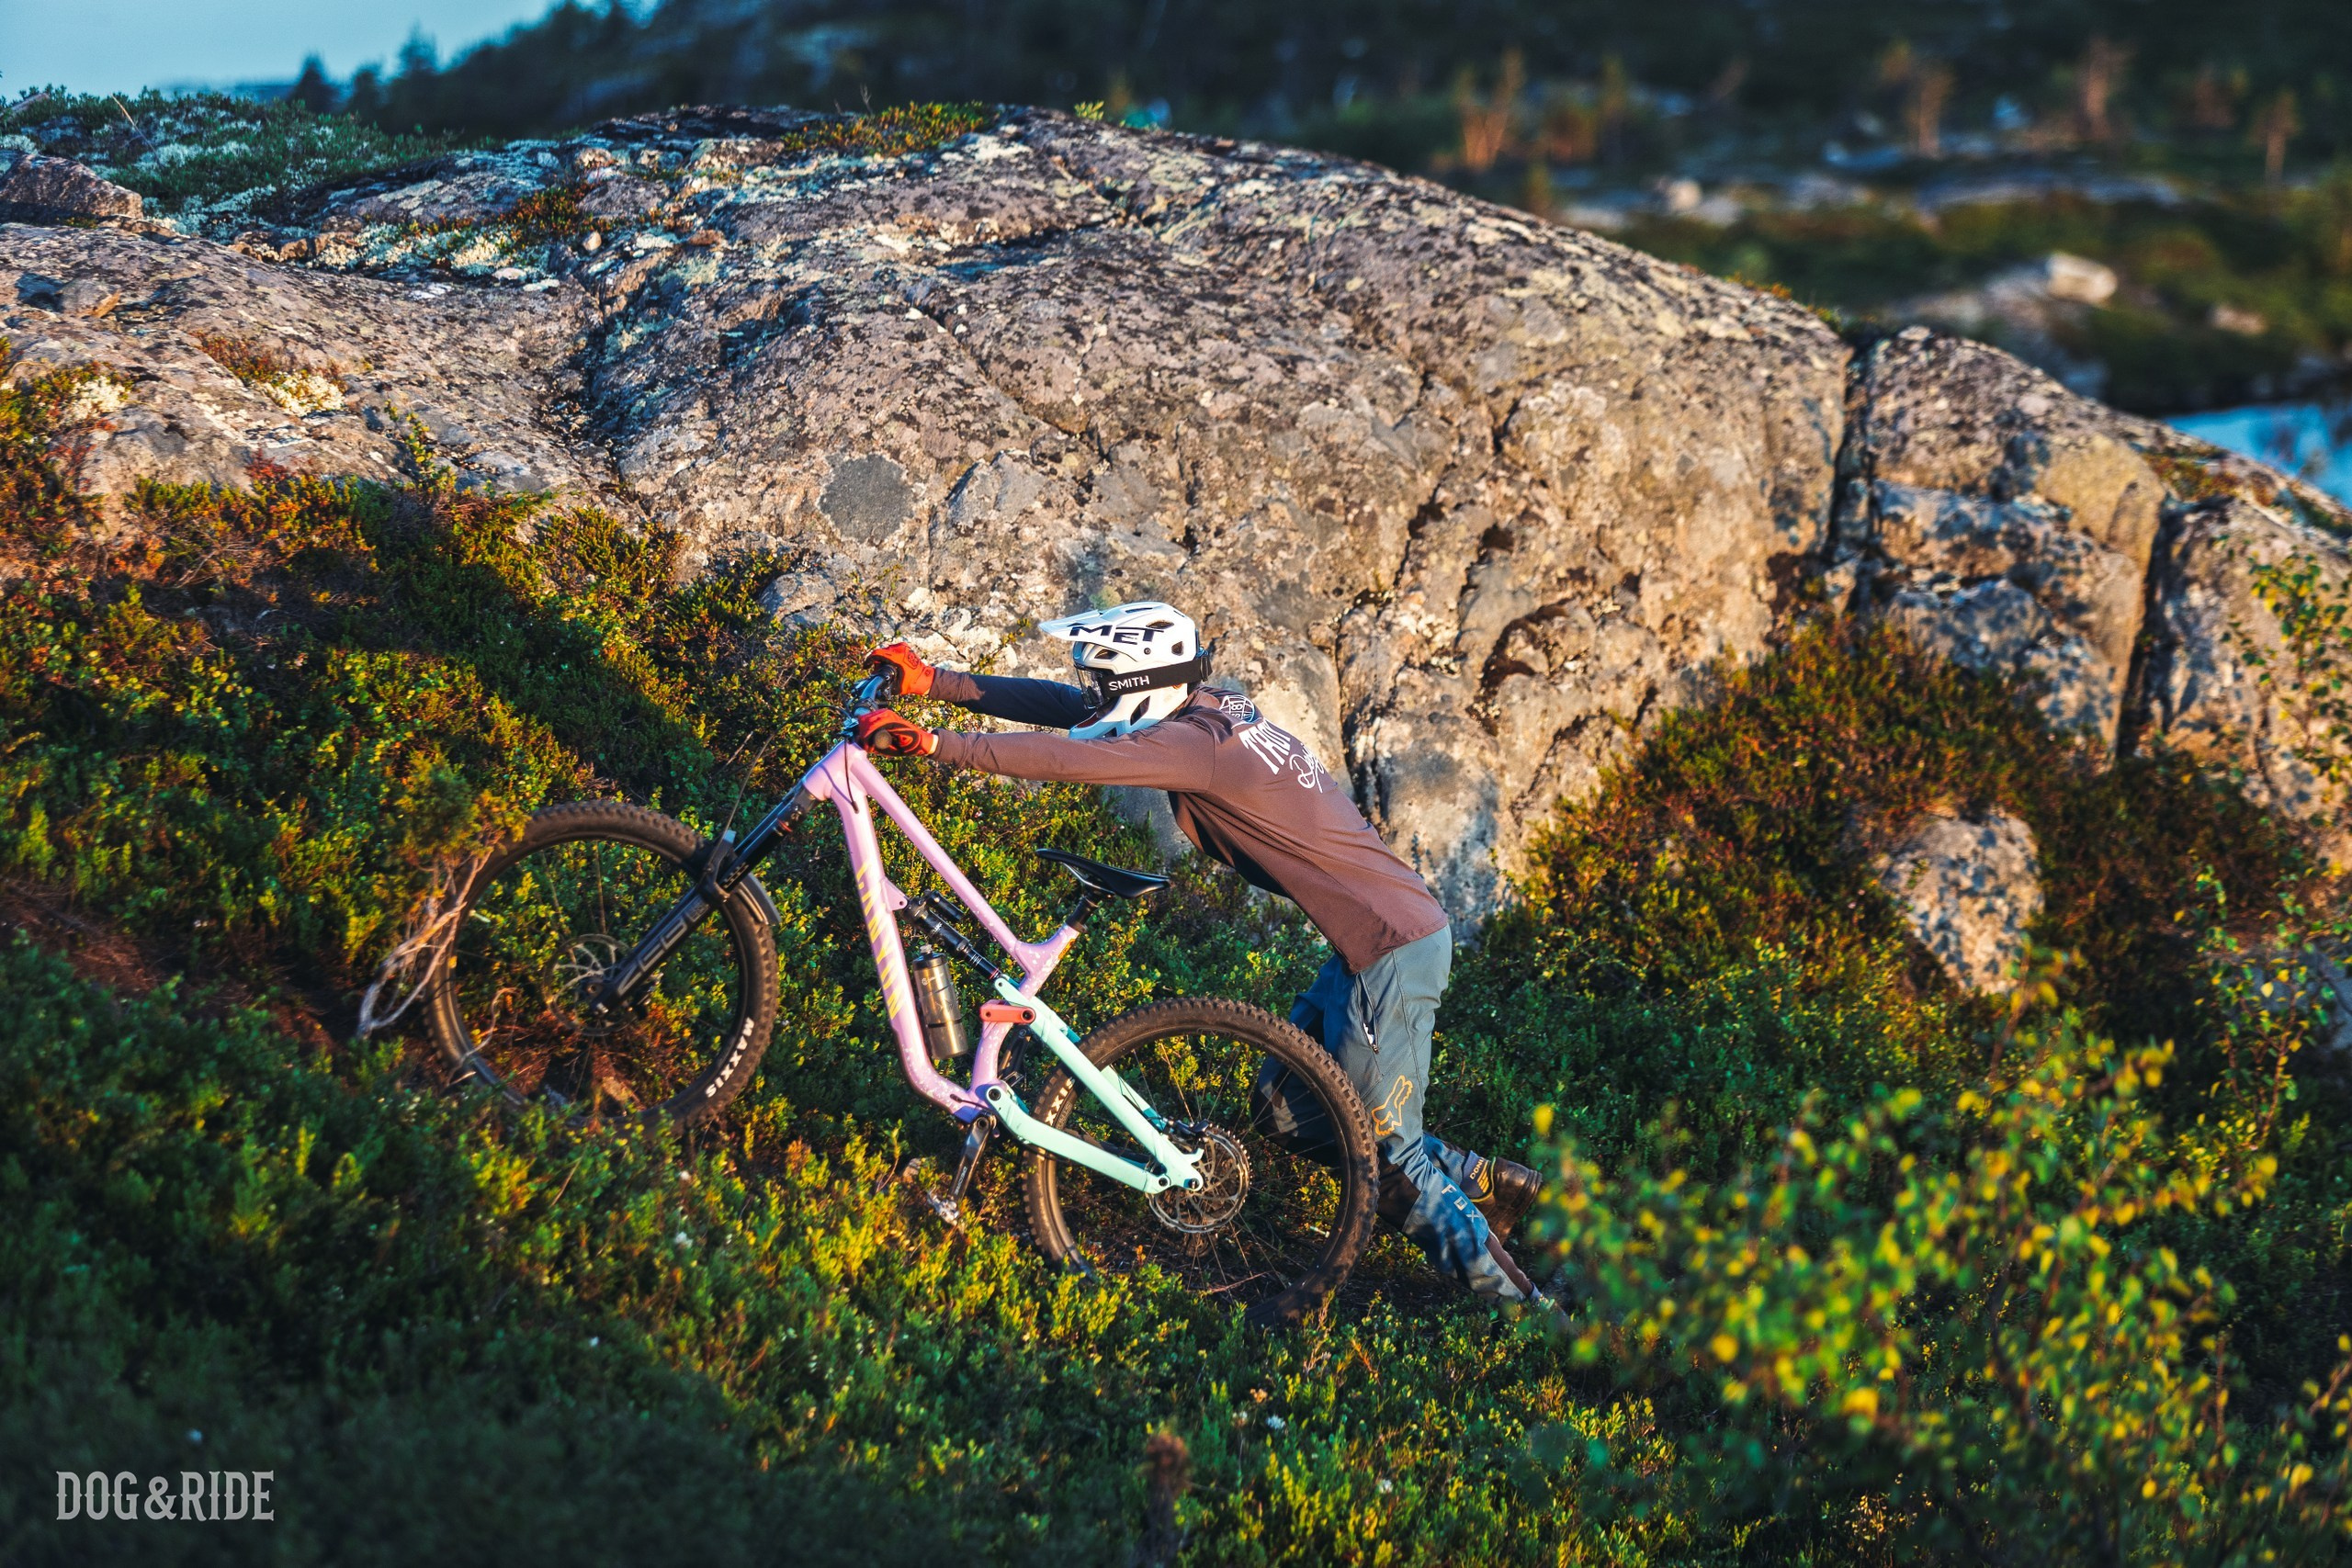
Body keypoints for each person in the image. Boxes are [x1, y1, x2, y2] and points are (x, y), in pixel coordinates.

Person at [856, 600, 1547, 1305]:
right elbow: (1071, 712)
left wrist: (939, 745)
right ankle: (1481, 1181)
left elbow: (1071, 757)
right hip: (1376, 937)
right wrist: (935, 681)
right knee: (1281, 1111)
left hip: (1390, 950)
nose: (1090, 690)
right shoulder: (1208, 710)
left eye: (1103, 680)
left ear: (1142, 683)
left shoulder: (1197, 748)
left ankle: (1527, 1310)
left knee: (1391, 1163)